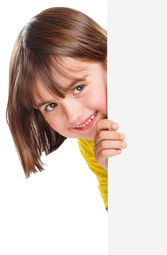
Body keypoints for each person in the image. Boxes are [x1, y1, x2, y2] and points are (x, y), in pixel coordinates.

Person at [6, 7, 125, 211]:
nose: (73, 116)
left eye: (78, 88)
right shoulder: (92, 142)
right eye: (50, 105)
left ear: (108, 62)